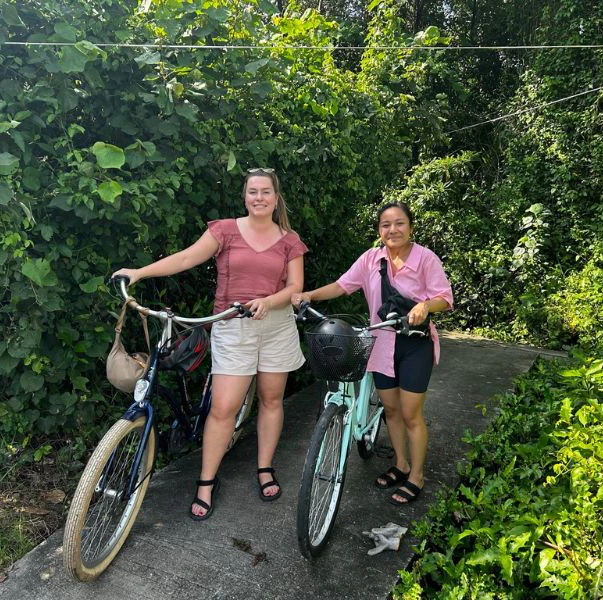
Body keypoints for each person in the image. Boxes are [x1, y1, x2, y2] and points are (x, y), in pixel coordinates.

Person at [113, 168, 307, 520]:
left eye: (266, 192)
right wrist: (140, 272)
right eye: (253, 192)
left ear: (276, 198)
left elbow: (295, 287)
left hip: (276, 325)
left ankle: (264, 467)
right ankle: (206, 481)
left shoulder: (289, 239)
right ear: (245, 196)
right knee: (223, 408)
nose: (259, 198)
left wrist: (269, 301)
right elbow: (186, 258)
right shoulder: (225, 230)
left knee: (272, 399)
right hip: (233, 326)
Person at [292, 202, 452, 505]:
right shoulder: (371, 259)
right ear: (379, 230)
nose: (393, 230)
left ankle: (416, 475)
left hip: (414, 344)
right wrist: (310, 295)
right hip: (381, 342)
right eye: (386, 225)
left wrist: (425, 305)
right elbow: (342, 285)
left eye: (400, 223)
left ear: (411, 227)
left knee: (410, 414)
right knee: (391, 410)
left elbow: (444, 297)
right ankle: (400, 464)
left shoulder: (425, 259)